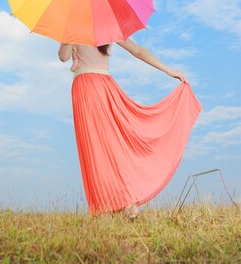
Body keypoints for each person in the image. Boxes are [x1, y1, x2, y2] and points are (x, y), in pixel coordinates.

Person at [58, 39, 203, 219]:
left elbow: (137, 50)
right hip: (83, 88)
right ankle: (109, 206)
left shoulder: (106, 27)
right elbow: (63, 57)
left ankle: (125, 202)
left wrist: (169, 70)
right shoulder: (74, 28)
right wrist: (69, 36)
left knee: (108, 146)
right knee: (94, 148)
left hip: (100, 87)